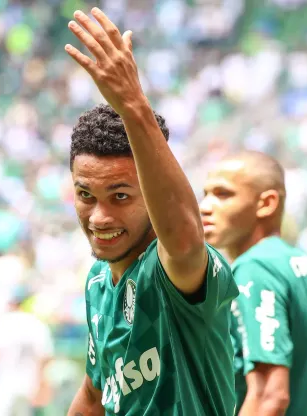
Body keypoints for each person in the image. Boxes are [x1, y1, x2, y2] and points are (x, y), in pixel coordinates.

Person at [63, 8, 238, 415]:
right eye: (86, 194)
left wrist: (133, 105)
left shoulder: (173, 272)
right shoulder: (97, 284)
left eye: (120, 196)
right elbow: (93, 395)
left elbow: (183, 236)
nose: (99, 217)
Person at [200, 151, 307, 415]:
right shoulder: (301, 263)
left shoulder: (256, 267)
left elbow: (270, 394)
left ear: (266, 203)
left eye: (223, 194)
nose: (205, 206)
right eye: (205, 194)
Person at [0, 288, 54, 416]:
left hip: (3, 384)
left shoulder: (3, 321)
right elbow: (45, 357)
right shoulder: (37, 324)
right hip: (29, 386)